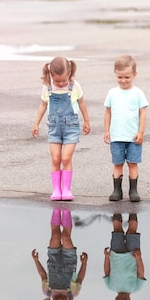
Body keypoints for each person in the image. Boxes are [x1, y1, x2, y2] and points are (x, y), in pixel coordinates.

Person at [32, 56, 90, 201]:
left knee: (66, 157)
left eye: (64, 80)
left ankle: (67, 189)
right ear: (51, 75)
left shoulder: (74, 86)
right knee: (56, 158)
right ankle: (56, 190)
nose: (62, 83)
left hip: (71, 126)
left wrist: (86, 121)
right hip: (54, 127)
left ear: (70, 73)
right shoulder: (48, 87)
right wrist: (36, 123)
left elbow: (82, 103)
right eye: (58, 81)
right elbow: (43, 105)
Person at [103, 55, 149, 202]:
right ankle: (117, 190)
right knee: (117, 163)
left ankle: (133, 190)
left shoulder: (138, 93)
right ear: (115, 74)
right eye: (120, 77)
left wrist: (141, 132)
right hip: (116, 136)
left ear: (135, 75)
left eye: (127, 77)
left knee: (132, 163)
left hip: (133, 137)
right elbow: (107, 112)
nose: (123, 80)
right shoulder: (112, 93)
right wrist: (106, 130)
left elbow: (142, 113)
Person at [31, 208, 88, 300]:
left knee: (55, 235)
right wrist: (84, 263)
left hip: (53, 259)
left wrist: (36, 260)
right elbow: (80, 278)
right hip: (69, 260)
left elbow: (43, 275)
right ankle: (66, 210)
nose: (61, 298)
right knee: (65, 236)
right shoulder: (73, 293)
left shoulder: (47, 291)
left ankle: (56, 209)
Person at [103, 213, 146, 300]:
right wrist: (139, 258)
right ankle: (133, 212)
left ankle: (117, 211)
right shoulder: (136, 287)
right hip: (133, 254)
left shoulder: (110, 286)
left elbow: (107, 272)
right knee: (132, 232)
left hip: (115, 254)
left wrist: (107, 257)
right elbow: (141, 273)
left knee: (117, 231)